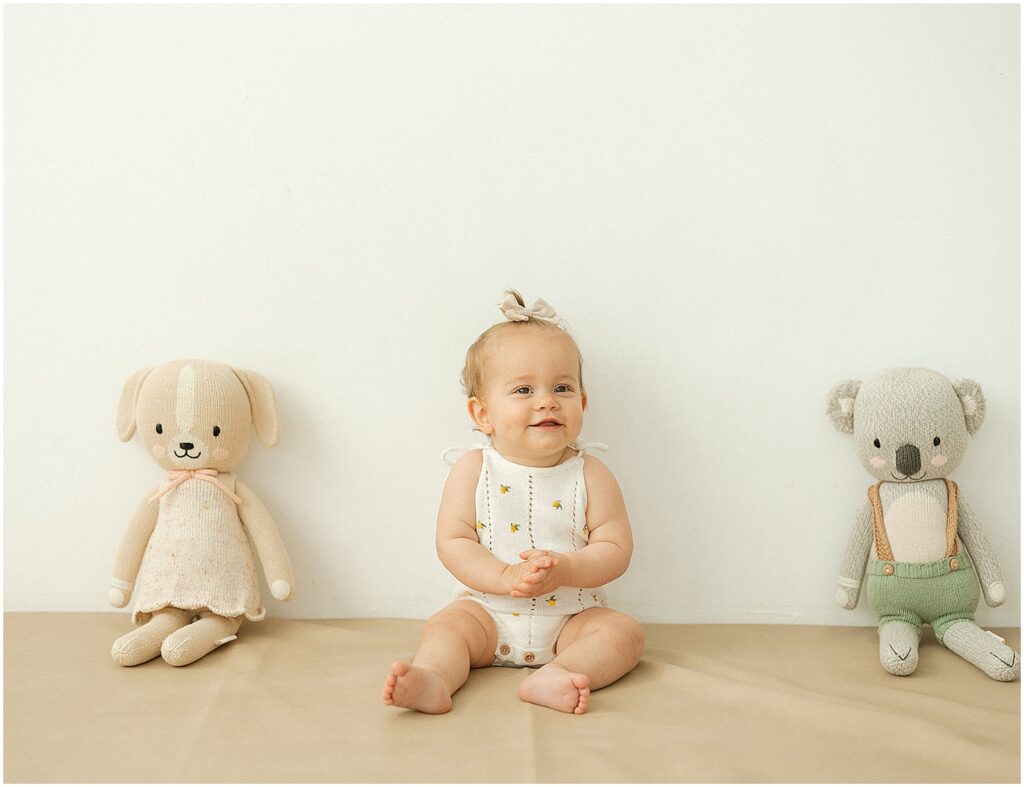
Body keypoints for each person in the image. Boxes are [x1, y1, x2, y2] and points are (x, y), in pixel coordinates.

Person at [382, 290, 644, 714]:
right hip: (487, 612)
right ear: (482, 414)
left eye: (562, 387)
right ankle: (433, 678)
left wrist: (568, 569)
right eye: (523, 389)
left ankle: (558, 675)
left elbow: (615, 549)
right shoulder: (472, 469)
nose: (546, 401)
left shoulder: (591, 473)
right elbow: (453, 541)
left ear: (581, 403)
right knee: (447, 627)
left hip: (570, 619)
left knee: (624, 633)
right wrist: (504, 576)